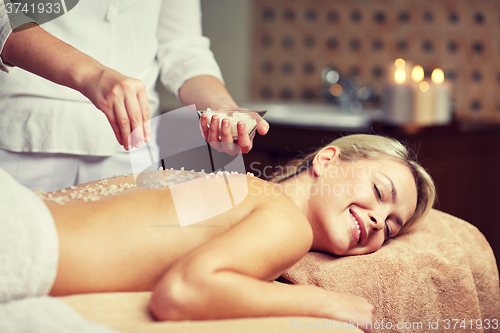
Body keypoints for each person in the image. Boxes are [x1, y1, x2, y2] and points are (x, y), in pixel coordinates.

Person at [0, 134, 435, 333]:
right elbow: (183, 292)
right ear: (326, 161)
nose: (379, 221)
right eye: (380, 192)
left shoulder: (240, 189)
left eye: (392, 228)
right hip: (22, 239)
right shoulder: (287, 223)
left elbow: (151, 225)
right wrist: (333, 303)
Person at [0, 0, 269, 192]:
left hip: (134, 150)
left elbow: (182, 48)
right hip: (22, 140)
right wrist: (91, 75)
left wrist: (222, 106)